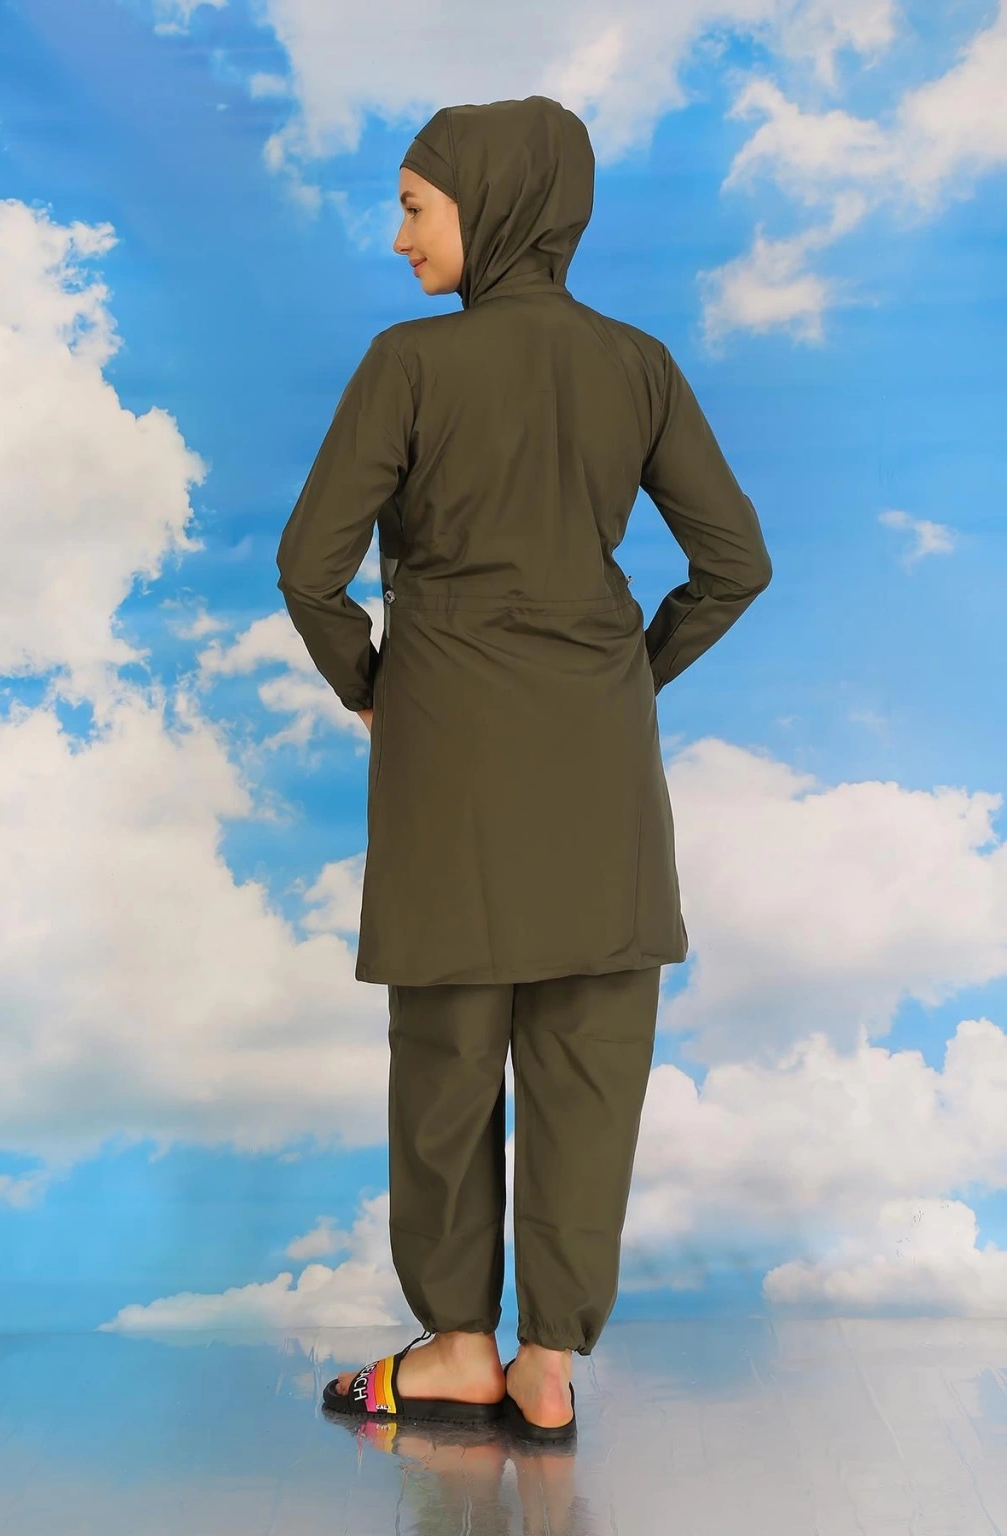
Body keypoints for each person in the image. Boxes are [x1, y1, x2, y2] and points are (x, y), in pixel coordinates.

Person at [276, 95, 772, 1442]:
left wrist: (374, 687)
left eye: (413, 206)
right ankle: (550, 1366)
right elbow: (735, 563)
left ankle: (457, 1349)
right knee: (592, 1059)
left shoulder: (408, 364)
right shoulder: (639, 366)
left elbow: (309, 568)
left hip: (448, 747)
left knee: (448, 1055)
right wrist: (630, 677)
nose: (399, 238)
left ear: (488, 204)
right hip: (600, 756)